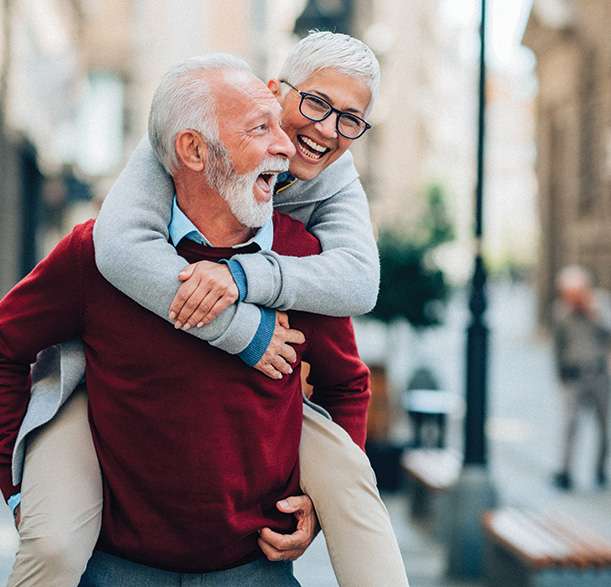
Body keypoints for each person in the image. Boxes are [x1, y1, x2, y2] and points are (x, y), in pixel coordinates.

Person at [6, 37, 409, 587]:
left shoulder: (314, 234)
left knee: (356, 501)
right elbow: (118, 251)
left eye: (350, 119)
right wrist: (17, 488)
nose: (316, 135)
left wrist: (314, 509)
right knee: (49, 547)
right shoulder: (115, 223)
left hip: (251, 567)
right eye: (313, 105)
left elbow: (355, 309)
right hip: (117, 559)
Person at [551, 265, 611, 490]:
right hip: (574, 376)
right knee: (571, 423)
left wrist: (594, 313)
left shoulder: (602, 302)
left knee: (603, 425)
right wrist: (559, 373)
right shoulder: (560, 310)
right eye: (567, 294)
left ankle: (601, 470)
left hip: (600, 374)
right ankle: (565, 471)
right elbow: (557, 346)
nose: (572, 298)